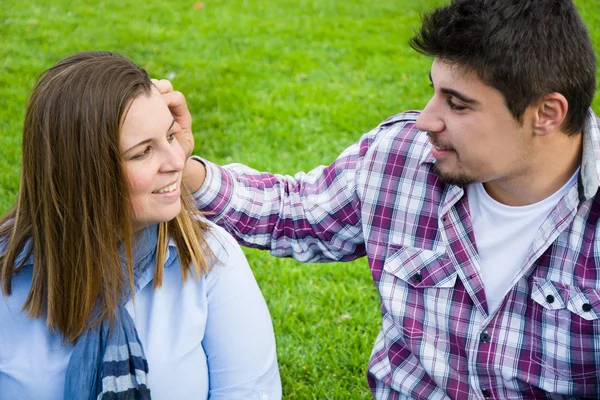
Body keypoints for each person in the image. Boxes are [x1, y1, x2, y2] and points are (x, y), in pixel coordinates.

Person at [161, 0, 600, 398]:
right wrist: (181, 169)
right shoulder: (400, 158)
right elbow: (294, 212)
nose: (427, 119)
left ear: (546, 114)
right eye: (434, 90)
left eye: (458, 104)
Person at [0, 51, 281, 400]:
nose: (178, 161)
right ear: (82, 175)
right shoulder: (8, 274)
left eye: (171, 136)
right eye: (143, 152)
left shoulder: (209, 257)